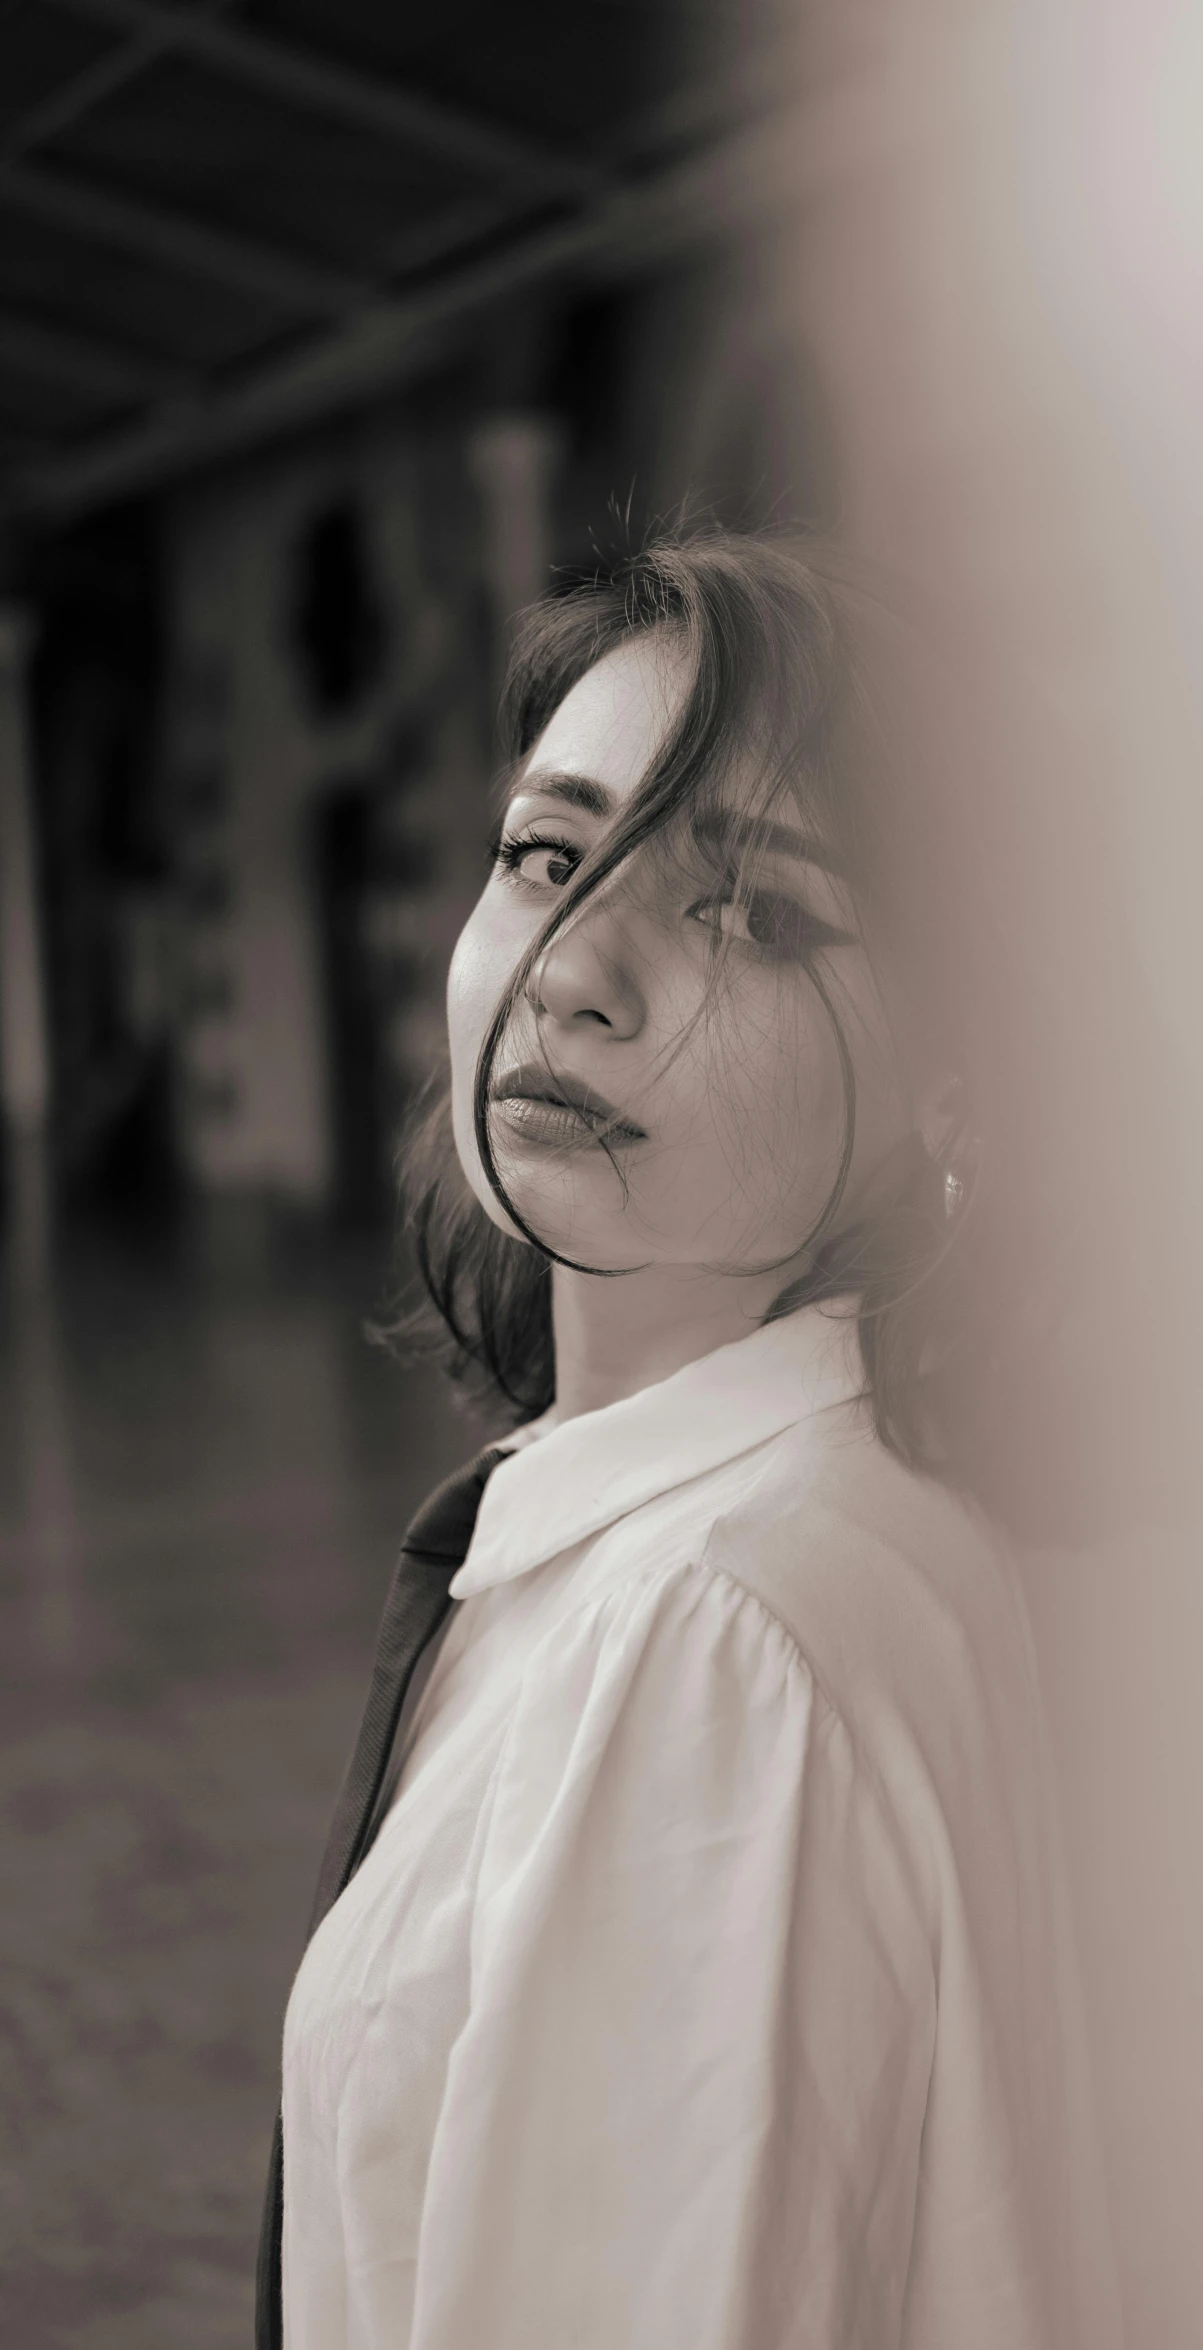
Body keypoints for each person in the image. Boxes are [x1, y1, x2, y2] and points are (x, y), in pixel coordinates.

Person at [260, 531, 1064, 2348]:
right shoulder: (823, 1529)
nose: (574, 966)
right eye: (549, 853)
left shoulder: (712, 1637)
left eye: (755, 909)